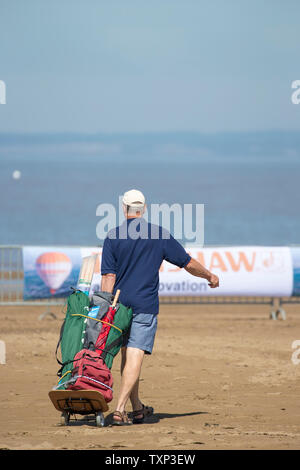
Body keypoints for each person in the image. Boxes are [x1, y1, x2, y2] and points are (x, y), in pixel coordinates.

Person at [101, 189, 219, 425]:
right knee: (134, 355)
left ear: (123, 209)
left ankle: (136, 408)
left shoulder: (112, 236)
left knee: (127, 355)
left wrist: (105, 307)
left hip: (120, 305)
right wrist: (209, 276)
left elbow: (108, 278)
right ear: (143, 209)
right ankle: (120, 409)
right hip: (145, 303)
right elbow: (188, 263)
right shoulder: (158, 234)